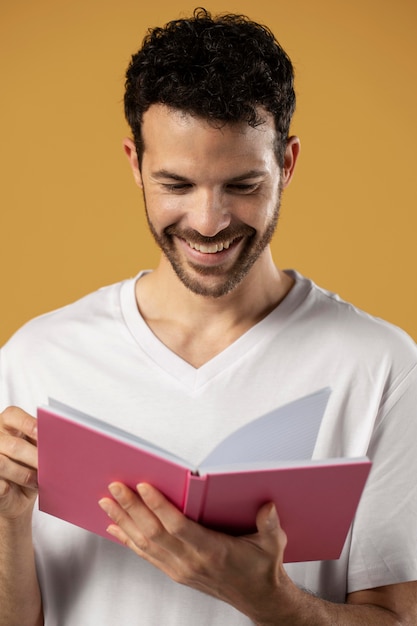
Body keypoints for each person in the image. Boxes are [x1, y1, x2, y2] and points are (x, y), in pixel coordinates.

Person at [1, 7, 417, 625]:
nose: (208, 221)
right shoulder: (39, 355)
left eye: (243, 185)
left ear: (288, 165)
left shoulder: (381, 364)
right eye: (176, 184)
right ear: (135, 165)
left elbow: (397, 617)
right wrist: (8, 522)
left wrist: (268, 600)